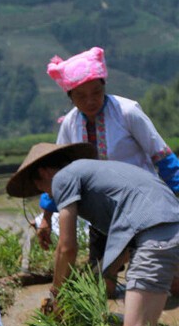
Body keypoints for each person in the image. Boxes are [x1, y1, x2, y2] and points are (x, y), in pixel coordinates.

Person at [35, 47, 179, 295]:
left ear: (105, 87)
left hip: (141, 206)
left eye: (96, 93)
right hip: (100, 212)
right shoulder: (70, 123)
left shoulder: (128, 112)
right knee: (105, 286)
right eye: (81, 96)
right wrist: (46, 217)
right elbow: (59, 175)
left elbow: (162, 156)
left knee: (164, 279)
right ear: (70, 97)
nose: (90, 101)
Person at [7, 142, 179, 326]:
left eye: (41, 188)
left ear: (45, 172)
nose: (48, 195)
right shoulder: (96, 171)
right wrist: (95, 279)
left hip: (156, 236)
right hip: (170, 227)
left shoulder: (62, 178)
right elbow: (126, 245)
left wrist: (56, 294)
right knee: (155, 322)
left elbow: (67, 248)